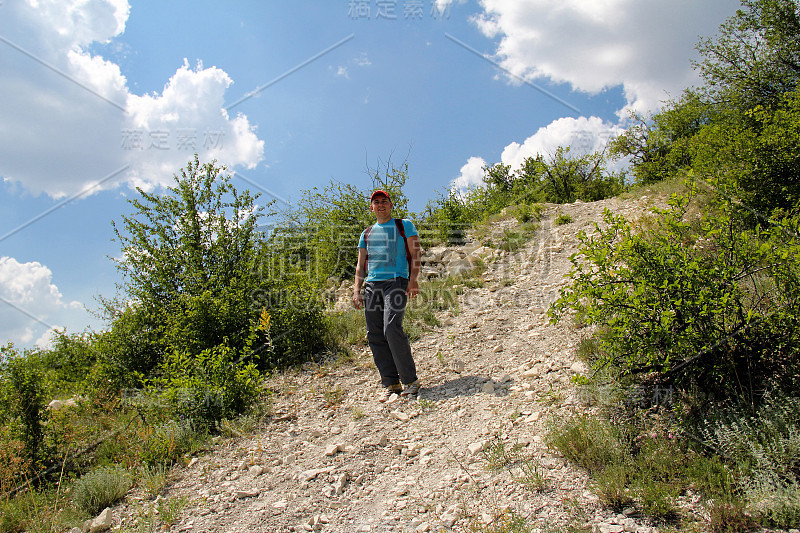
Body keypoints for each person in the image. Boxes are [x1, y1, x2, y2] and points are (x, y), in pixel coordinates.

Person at [352, 189, 422, 401]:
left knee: (391, 327)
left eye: (384, 201)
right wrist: (357, 289)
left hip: (397, 281)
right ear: (371, 208)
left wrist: (413, 280)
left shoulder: (404, 225)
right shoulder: (367, 233)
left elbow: (416, 252)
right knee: (375, 333)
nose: (380, 205)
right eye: (376, 202)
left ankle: (410, 381)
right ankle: (391, 383)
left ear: (391, 205)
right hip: (372, 285)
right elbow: (360, 264)